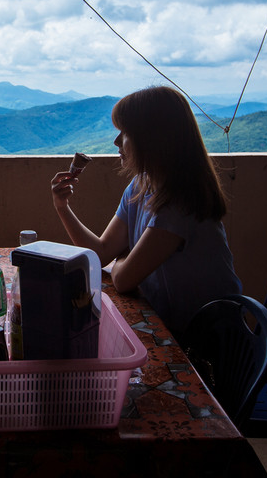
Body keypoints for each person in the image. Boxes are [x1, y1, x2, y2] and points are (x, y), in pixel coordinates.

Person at [50, 85, 241, 338]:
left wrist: (121, 261)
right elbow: (102, 252)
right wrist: (62, 207)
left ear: (152, 140)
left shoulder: (180, 204)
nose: (117, 141)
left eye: (125, 133)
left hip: (208, 339)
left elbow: (123, 280)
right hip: (171, 325)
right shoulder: (141, 185)